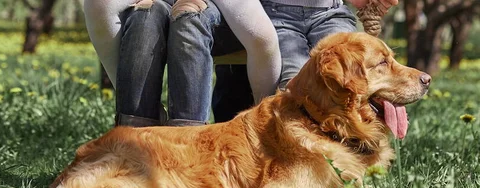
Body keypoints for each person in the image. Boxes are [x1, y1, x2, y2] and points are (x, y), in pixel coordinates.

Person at [83, 0, 282, 127]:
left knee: (188, 20)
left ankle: (188, 140)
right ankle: (133, 136)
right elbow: (99, 8)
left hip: (221, 24)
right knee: (145, 19)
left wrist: (263, 117)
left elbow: (262, 40)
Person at [212, 0, 399, 122]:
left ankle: (352, 159)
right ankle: (300, 158)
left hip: (331, 12)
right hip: (276, 13)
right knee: (296, 87)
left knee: (351, 75)